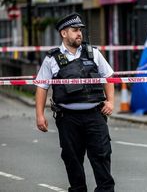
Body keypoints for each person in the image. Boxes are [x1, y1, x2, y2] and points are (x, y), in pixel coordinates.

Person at [35, 12, 115, 192]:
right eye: (75, 30)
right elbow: (42, 86)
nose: (79, 33)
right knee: (72, 158)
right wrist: (39, 115)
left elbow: (108, 77)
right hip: (68, 118)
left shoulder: (93, 53)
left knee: (102, 155)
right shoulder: (52, 59)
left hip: (95, 114)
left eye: (80, 30)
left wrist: (110, 101)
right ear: (64, 33)